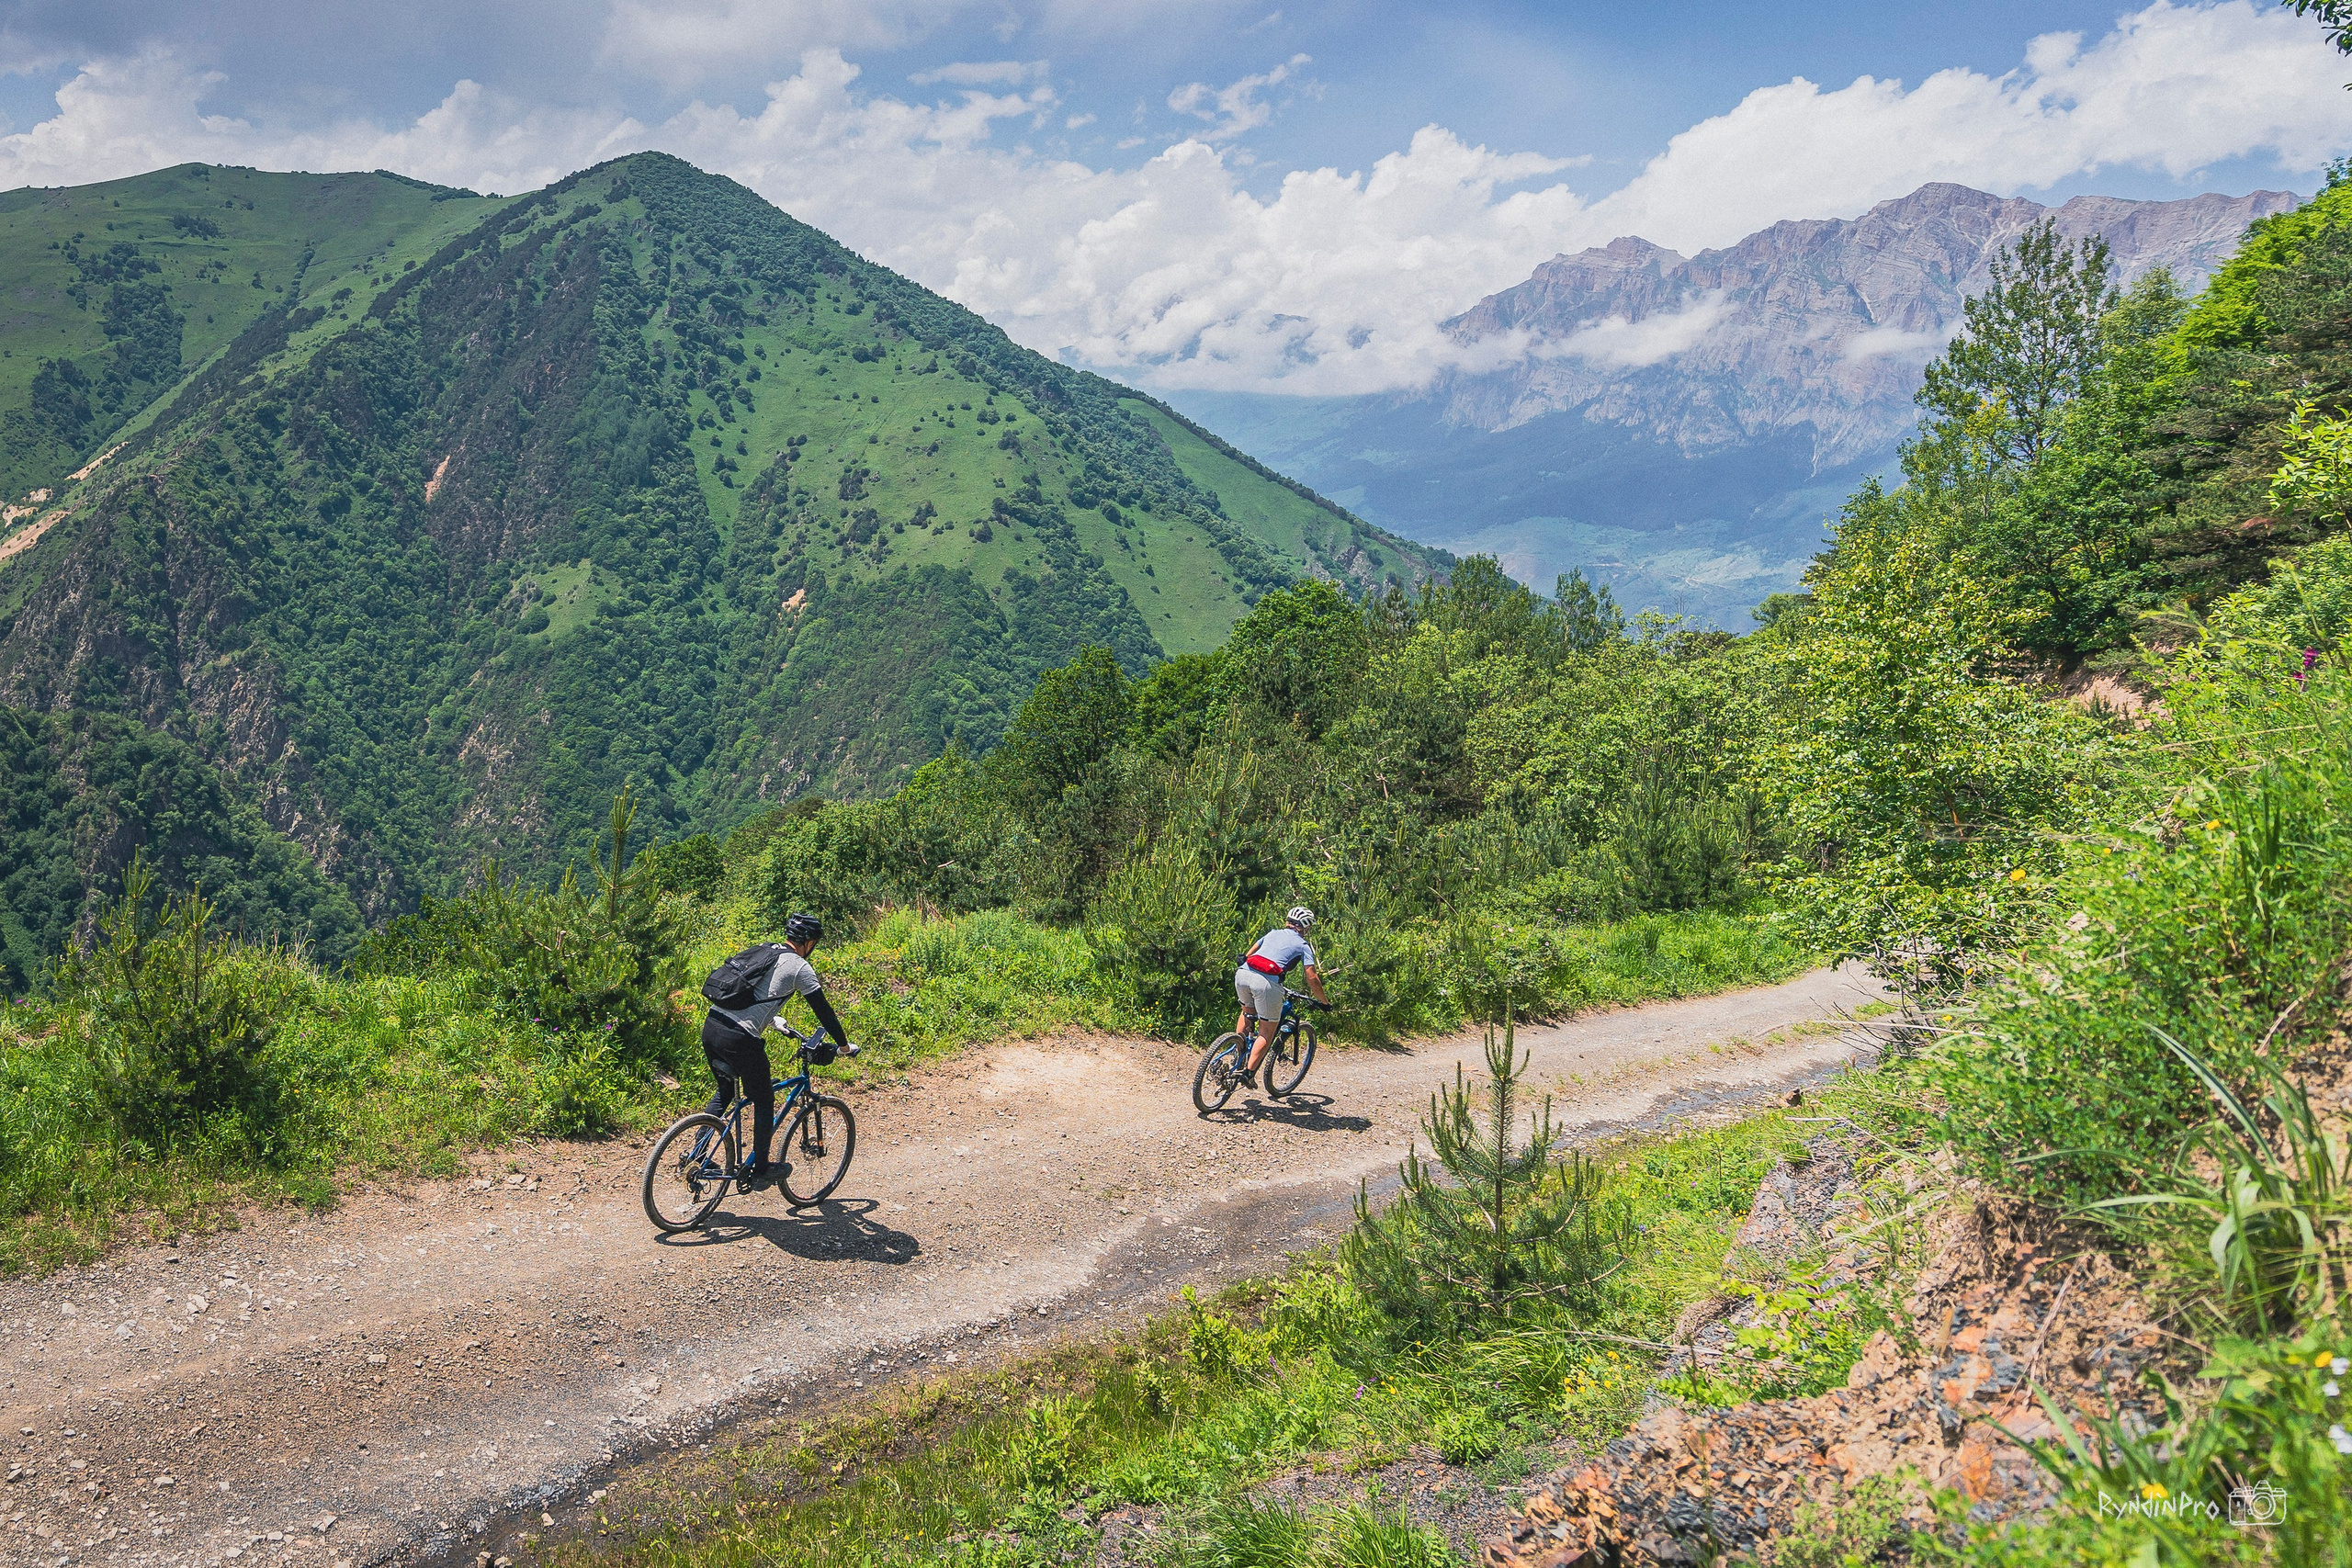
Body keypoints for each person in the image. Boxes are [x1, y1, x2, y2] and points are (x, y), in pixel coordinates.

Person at [701, 912, 852, 1179]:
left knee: (725, 1090)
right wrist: (843, 1046)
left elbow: (752, 994)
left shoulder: (765, 951)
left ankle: (696, 1157)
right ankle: (761, 1169)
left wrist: (774, 1020)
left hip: (712, 1026)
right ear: (808, 942)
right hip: (740, 1038)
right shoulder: (799, 967)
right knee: (764, 1098)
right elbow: (824, 1012)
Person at [1233, 906, 1329, 1085]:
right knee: (1267, 1031)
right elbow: (1312, 976)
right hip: (1266, 983)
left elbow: (1249, 954)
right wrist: (1324, 1002)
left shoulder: (1272, 933)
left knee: (1247, 1013)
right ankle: (1247, 1074)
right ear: (1306, 927)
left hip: (1242, 974)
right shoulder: (1302, 945)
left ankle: (1235, 1053)